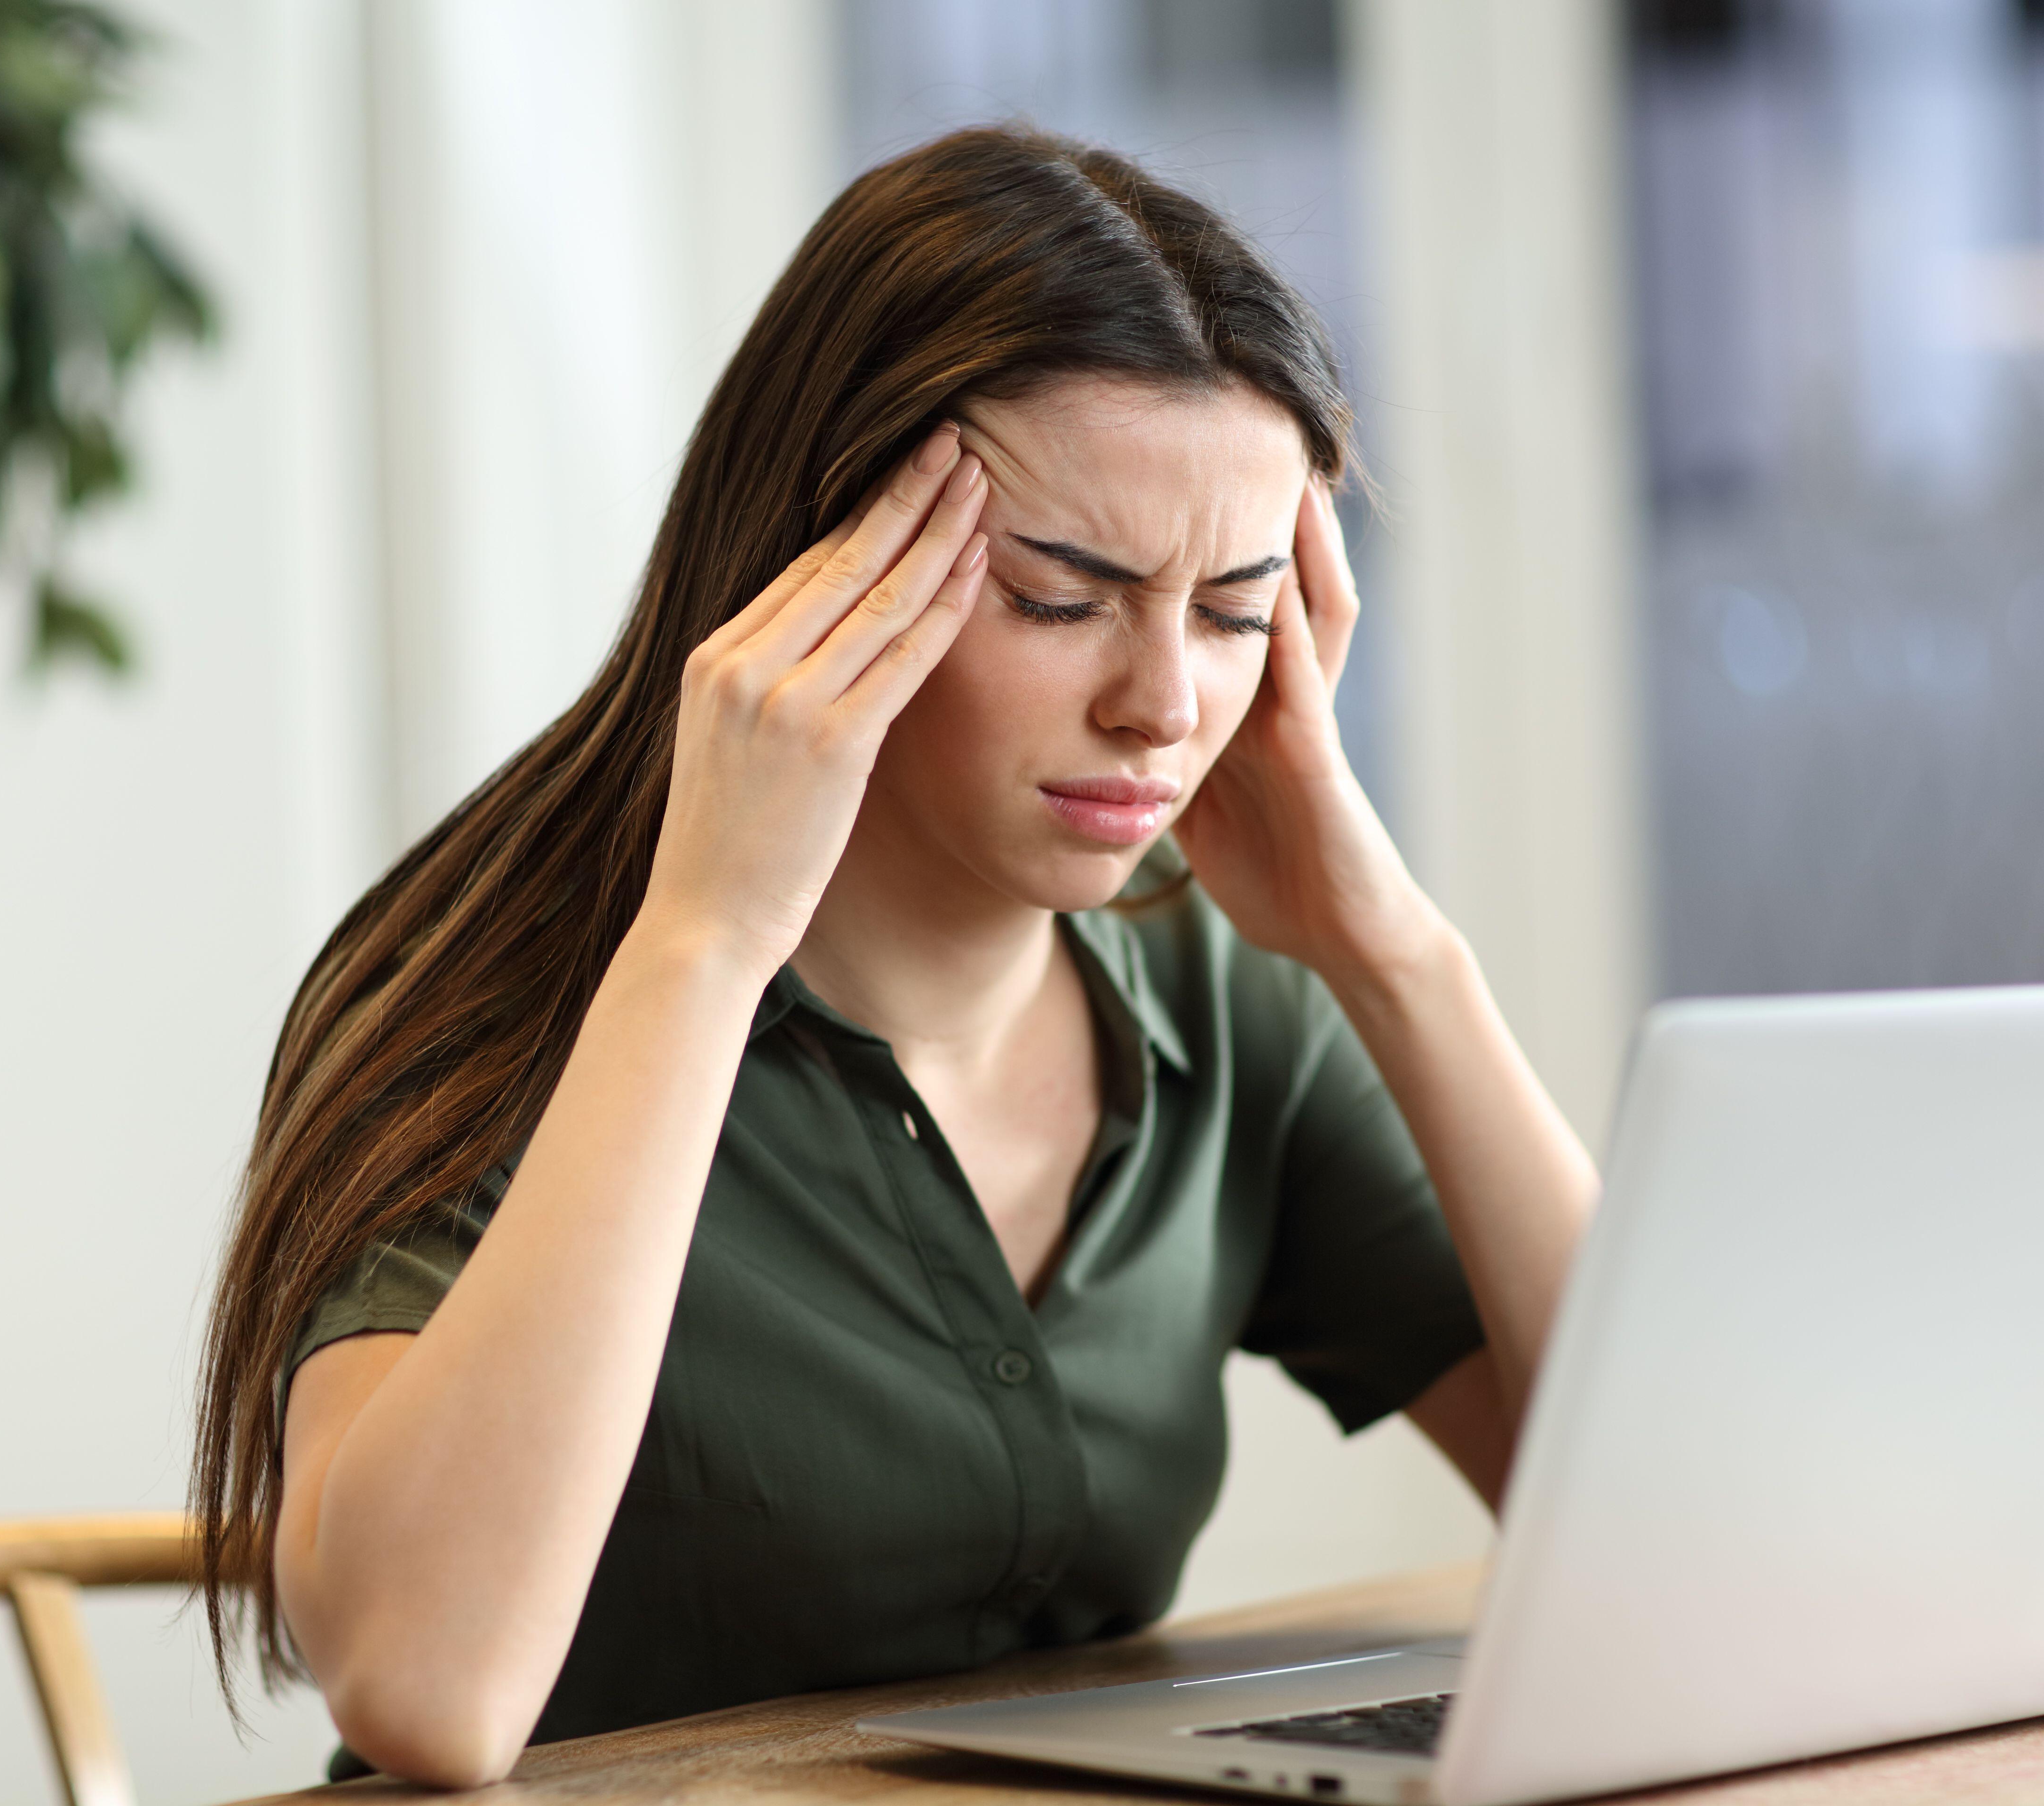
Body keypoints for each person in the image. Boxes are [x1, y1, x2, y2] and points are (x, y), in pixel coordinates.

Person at [190, 125, 1595, 1788]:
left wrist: (1398, 953)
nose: (1163, 704)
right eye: (1063, 595)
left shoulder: (1221, 996)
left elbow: (1682, 1538)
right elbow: (426, 1691)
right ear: (818, 573)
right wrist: (707, 943)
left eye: (1232, 610)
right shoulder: (493, 976)